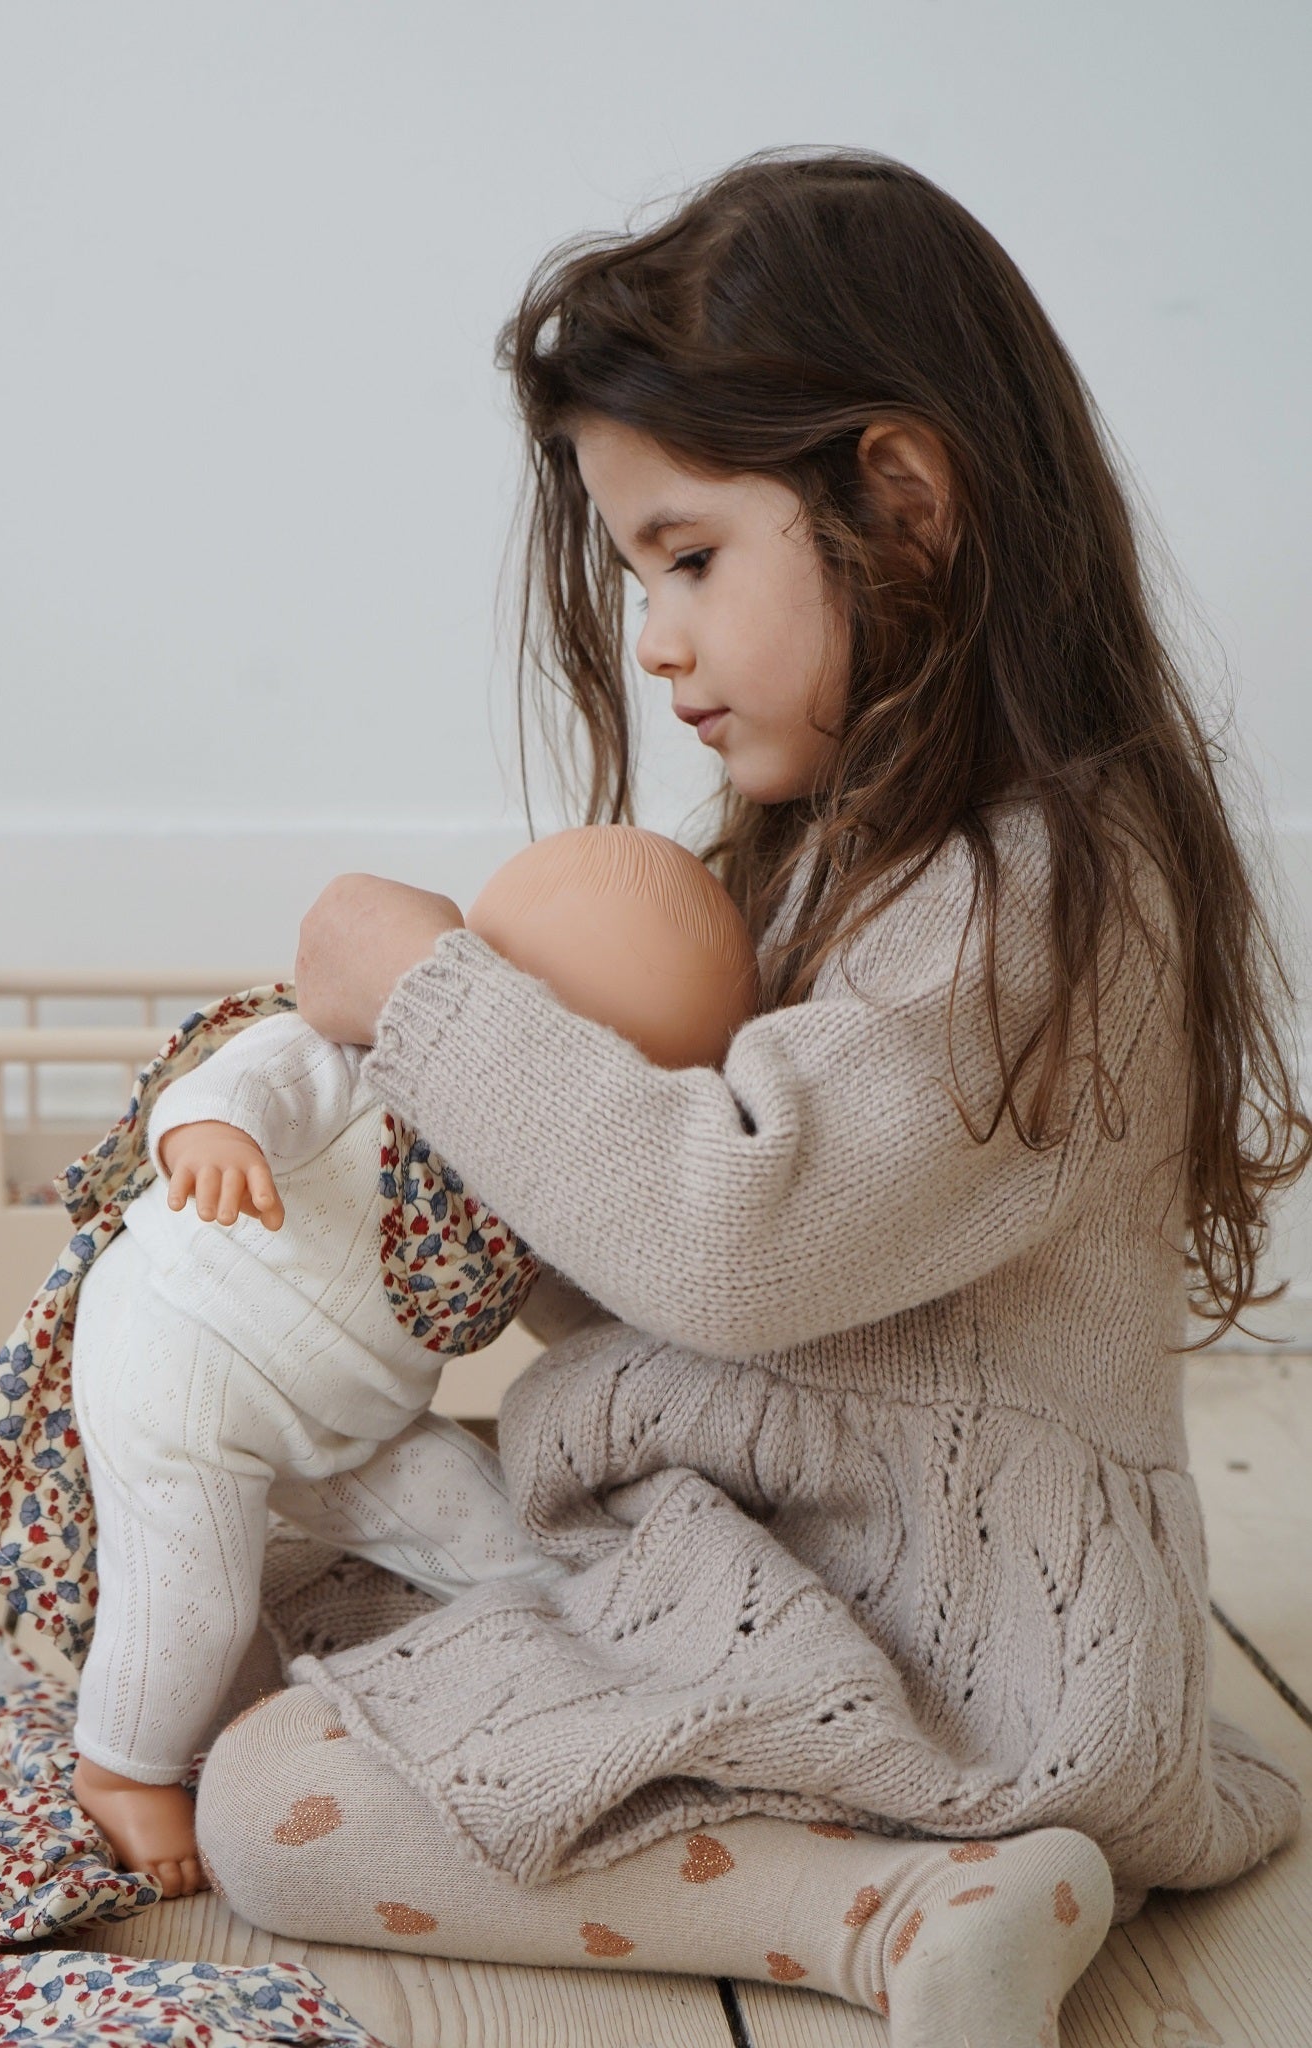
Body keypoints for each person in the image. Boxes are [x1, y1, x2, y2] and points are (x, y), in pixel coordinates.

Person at [188, 148, 1310, 2048]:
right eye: (633, 575)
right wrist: (430, 1153)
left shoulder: (1042, 890)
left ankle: (894, 1907)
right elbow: (657, 1266)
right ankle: (902, 1871)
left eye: (688, 557)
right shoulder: (824, 851)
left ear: (899, 499)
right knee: (274, 1620)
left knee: (280, 1807)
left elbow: (725, 1236)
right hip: (774, 1558)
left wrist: (439, 996)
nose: (654, 642)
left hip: (959, 1637)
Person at [68, 824, 762, 1895]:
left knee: (501, 1529)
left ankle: (597, 1657)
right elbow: (236, 1080)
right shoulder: (352, 1062)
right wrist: (209, 1137)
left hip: (349, 1412)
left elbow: (587, 1282)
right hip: (186, 1357)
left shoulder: (529, 1161)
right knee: (190, 1591)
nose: (585, 1115)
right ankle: (119, 1765)